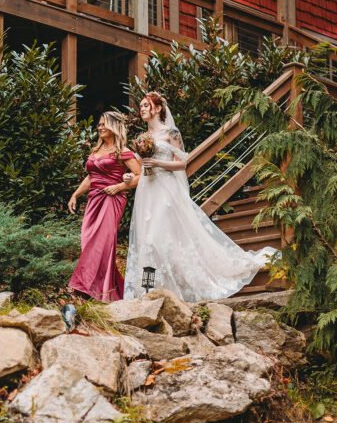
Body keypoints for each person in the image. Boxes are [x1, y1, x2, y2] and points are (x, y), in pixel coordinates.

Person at [123, 91, 274, 302]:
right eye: (141, 106)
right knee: (146, 239)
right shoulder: (143, 138)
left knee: (157, 237)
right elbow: (140, 167)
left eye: (146, 105)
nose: (142, 109)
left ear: (158, 108)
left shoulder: (171, 133)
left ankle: (173, 287)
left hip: (165, 190)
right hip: (147, 190)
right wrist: (131, 174)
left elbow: (182, 163)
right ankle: (149, 288)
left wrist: (158, 163)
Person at [68, 111, 141, 302]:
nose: (99, 127)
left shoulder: (123, 151)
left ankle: (82, 287)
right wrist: (76, 194)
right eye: (99, 124)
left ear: (114, 126)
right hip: (94, 199)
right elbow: (91, 176)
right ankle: (104, 287)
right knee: (88, 238)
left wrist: (119, 187)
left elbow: (141, 176)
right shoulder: (95, 151)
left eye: (103, 124)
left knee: (101, 241)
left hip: (112, 199)